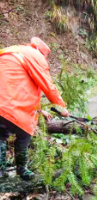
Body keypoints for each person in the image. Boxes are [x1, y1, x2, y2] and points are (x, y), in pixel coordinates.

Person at [0, 37, 69, 180]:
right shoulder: (35, 56)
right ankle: (22, 171)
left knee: (0, 135)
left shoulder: (10, 51)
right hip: (10, 105)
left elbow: (20, 87)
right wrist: (61, 107)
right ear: (41, 51)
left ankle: (0, 171)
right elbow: (48, 86)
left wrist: (39, 110)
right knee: (24, 133)